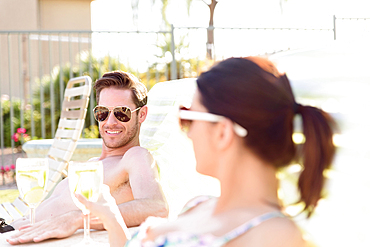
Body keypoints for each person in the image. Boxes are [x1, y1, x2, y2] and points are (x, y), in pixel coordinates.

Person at [46, 56, 335, 247]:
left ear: (222, 132)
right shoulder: (201, 204)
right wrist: (109, 217)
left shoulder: (275, 237)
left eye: (189, 118)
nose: (186, 131)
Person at [7, 71, 168, 244]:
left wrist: (78, 219)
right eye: (103, 112)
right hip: (10, 228)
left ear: (141, 114)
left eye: (122, 113)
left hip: (19, 238)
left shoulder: (135, 157)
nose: (110, 121)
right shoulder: (92, 164)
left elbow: (157, 208)